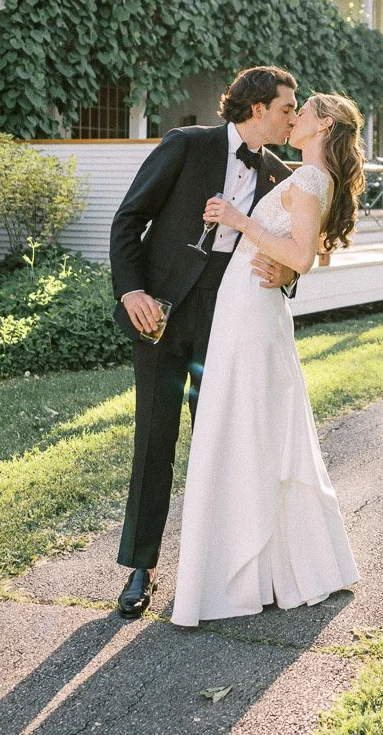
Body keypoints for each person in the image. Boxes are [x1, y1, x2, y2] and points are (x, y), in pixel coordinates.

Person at [108, 66, 300, 619]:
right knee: (155, 436)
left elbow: (290, 256)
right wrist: (132, 292)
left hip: (231, 317)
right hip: (161, 312)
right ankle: (141, 568)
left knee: (223, 443)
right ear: (258, 107)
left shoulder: (282, 177)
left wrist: (286, 276)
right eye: (287, 108)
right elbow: (129, 219)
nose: (293, 117)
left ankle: (218, 567)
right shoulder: (187, 146)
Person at [170, 92, 366, 627]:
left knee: (247, 422)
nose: (294, 114)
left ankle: (243, 567)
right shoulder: (306, 176)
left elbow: (301, 254)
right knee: (248, 420)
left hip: (253, 311)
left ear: (322, 124)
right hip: (248, 302)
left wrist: (238, 219)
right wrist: (276, 258)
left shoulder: (308, 180)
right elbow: (296, 254)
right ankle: (255, 562)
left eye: (303, 110)